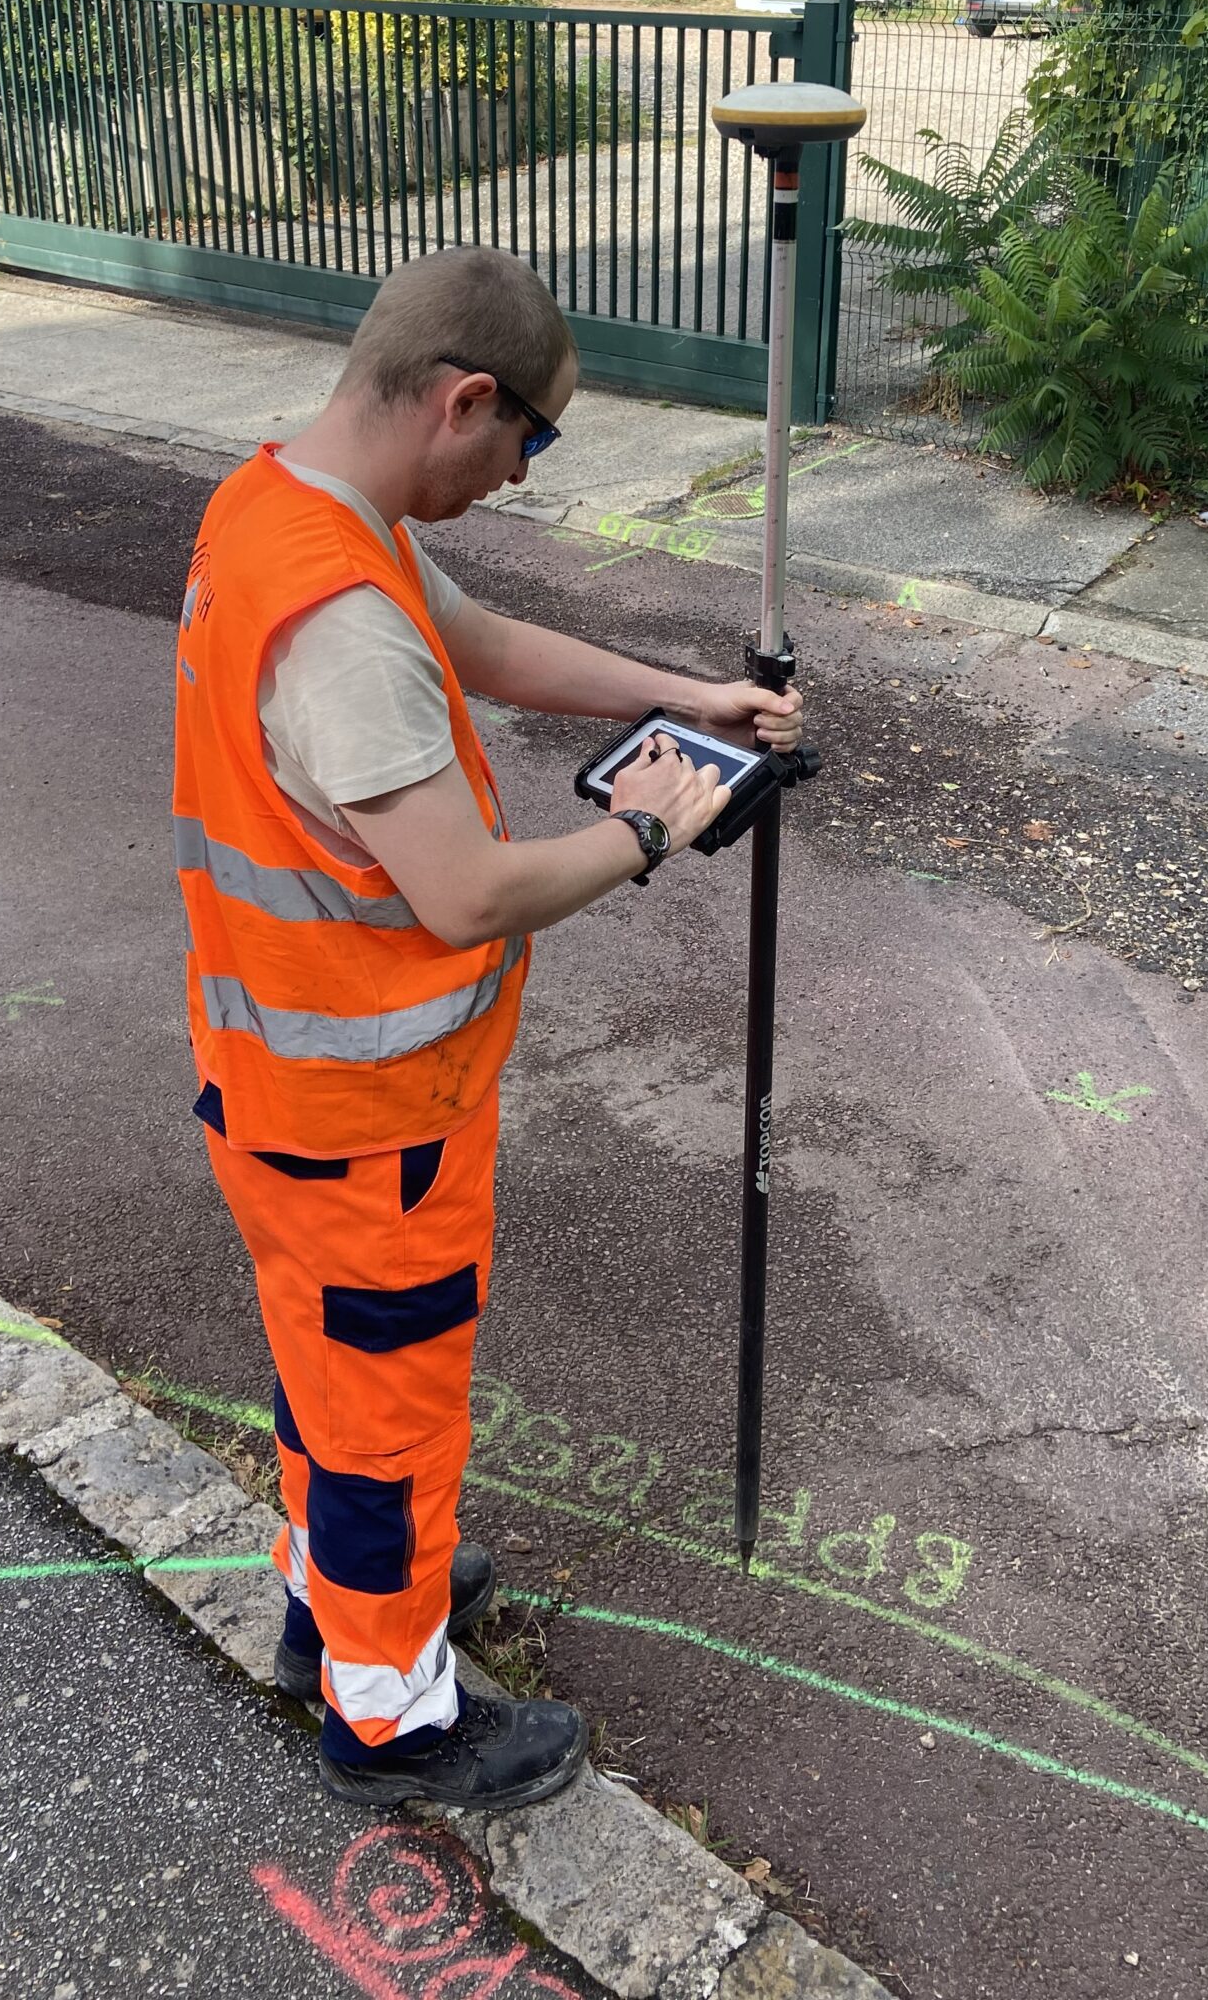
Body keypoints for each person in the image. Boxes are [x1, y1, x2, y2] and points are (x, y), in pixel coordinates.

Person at [174, 245, 802, 1813]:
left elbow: (488, 643)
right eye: (532, 441)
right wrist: (653, 828)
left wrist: (687, 698)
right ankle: (391, 1718)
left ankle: (344, 1603)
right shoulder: (344, 623)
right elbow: (463, 895)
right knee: (387, 1421)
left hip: (274, 1079)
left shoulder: (290, 508)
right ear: (466, 399)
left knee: (328, 1386)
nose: (521, 473)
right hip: (371, 1118)